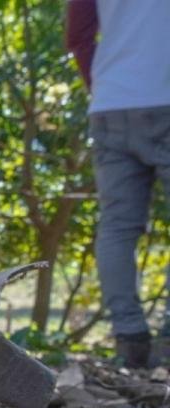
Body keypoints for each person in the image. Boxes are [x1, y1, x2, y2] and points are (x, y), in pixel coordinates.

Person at [67, 0, 170, 368]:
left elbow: (78, 35)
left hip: (111, 106)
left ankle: (130, 340)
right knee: (117, 228)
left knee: (117, 227)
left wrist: (107, 87)